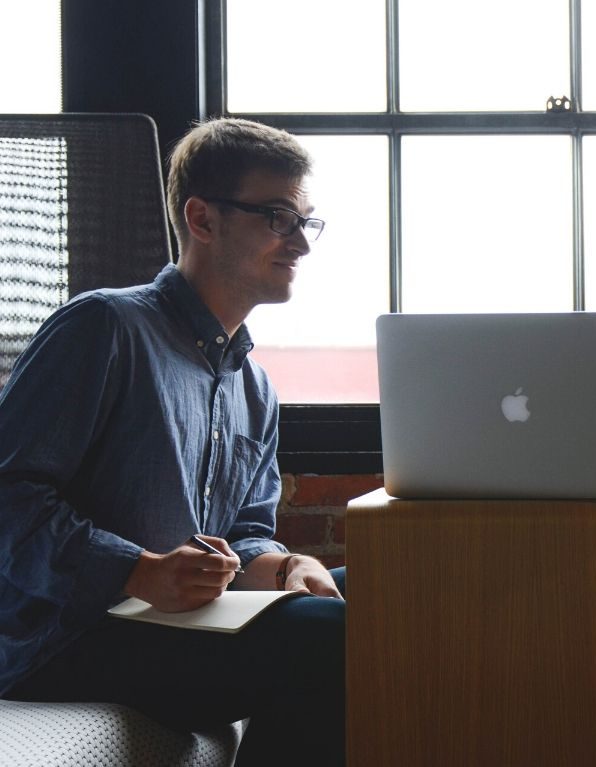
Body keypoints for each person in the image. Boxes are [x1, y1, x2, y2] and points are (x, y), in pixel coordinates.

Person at [0, 117, 346, 765]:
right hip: (65, 635)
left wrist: (280, 565)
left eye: (305, 220)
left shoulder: (254, 387)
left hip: (174, 623)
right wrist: (135, 568)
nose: (300, 242)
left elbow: (244, 529)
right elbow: (8, 495)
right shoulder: (104, 326)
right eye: (278, 216)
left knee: (371, 597)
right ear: (202, 218)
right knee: (332, 637)